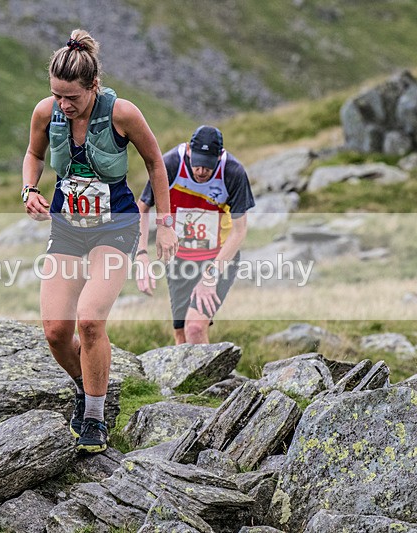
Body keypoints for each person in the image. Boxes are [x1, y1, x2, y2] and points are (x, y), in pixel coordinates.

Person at [22, 29, 178, 453]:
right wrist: (29, 190)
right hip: (67, 228)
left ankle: (95, 415)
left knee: (90, 320)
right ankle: (85, 384)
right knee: (56, 331)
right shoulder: (46, 112)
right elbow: (34, 155)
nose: (63, 105)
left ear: (93, 85)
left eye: (71, 97)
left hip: (115, 227)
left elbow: (156, 164)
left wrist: (165, 223)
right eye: (56, 95)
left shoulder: (122, 113)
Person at [136, 125, 254, 345]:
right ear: (189, 151)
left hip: (219, 257)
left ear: (219, 156)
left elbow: (240, 231)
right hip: (179, 258)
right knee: (181, 335)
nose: (201, 171)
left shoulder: (233, 173)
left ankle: (210, 369)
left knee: (195, 327)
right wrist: (142, 255)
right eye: (197, 163)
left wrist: (211, 276)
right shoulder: (170, 164)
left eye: (207, 166)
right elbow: (142, 207)